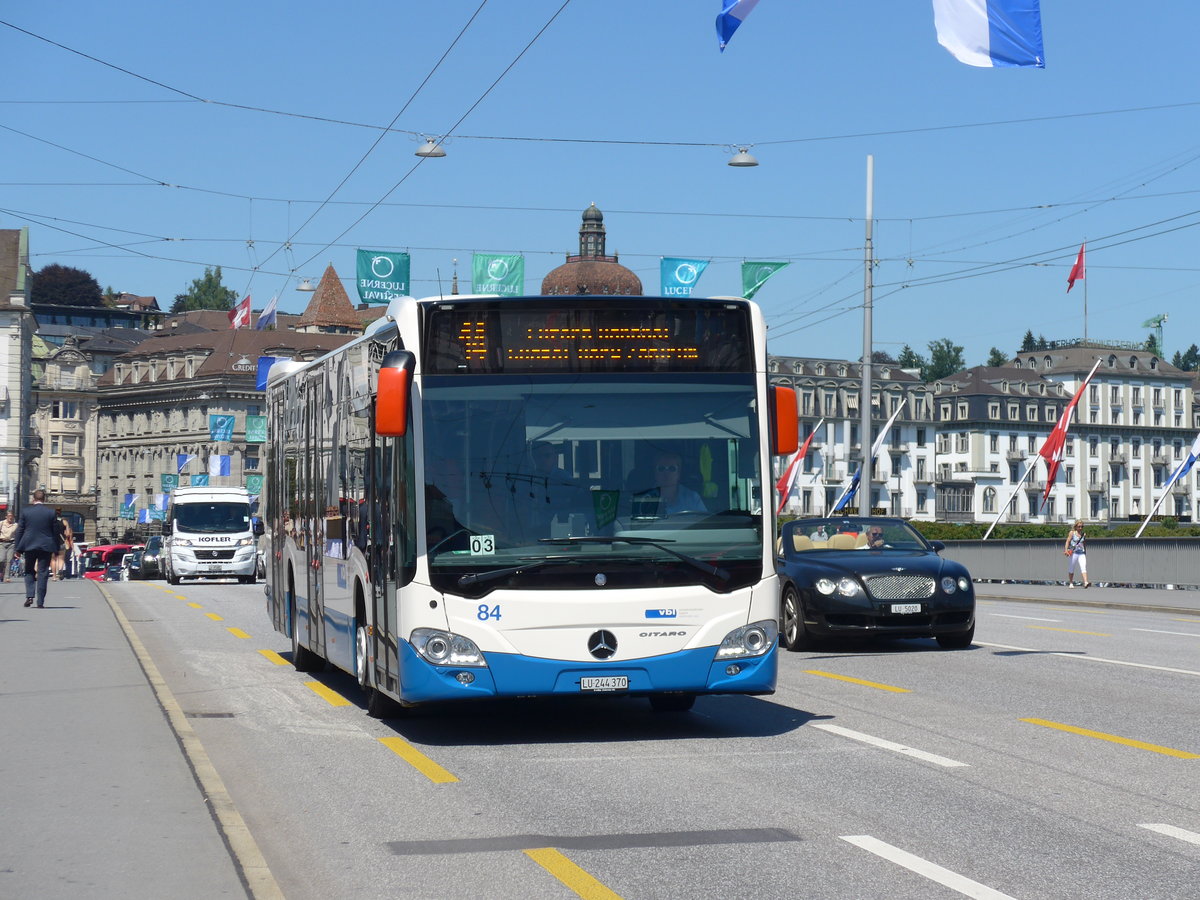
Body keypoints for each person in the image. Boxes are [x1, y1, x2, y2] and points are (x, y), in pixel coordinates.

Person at [13, 489, 66, 608]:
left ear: (33, 499)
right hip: (45, 547)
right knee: (43, 572)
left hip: (29, 545)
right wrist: (56, 548)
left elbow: (20, 530)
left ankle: (30, 596)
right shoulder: (51, 513)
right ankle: (40, 601)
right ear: (44, 499)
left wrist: (18, 548)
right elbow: (55, 532)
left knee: (29, 570)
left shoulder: (26, 512)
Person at [634, 450, 706, 518]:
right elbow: (637, 528)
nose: (666, 473)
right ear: (654, 473)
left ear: (679, 473)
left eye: (672, 468)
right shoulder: (643, 499)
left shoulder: (693, 498)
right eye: (661, 468)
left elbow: (704, 525)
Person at [1063, 519, 1090, 588]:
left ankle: (1086, 582)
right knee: (1071, 568)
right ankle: (1071, 583)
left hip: (1081, 553)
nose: (1080, 528)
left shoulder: (1083, 534)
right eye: (1079, 526)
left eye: (1081, 527)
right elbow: (1067, 541)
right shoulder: (1072, 533)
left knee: (1083, 567)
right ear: (1076, 526)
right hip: (1073, 553)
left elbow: (1084, 543)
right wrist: (1066, 550)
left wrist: (1085, 552)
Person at [51, 509, 72, 580]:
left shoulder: (50, 522)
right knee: (61, 558)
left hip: (52, 542)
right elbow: (68, 533)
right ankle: (60, 570)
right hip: (61, 542)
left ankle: (54, 576)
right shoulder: (64, 522)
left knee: (53, 559)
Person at [0, 511, 17, 582]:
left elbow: (18, 534)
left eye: (12, 516)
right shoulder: (1, 523)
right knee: (1, 559)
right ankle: (1, 573)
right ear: (6, 516)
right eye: (9, 516)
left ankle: (7, 577)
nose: (10, 517)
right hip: (2, 543)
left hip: (11, 543)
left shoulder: (16, 525)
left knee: (9, 561)